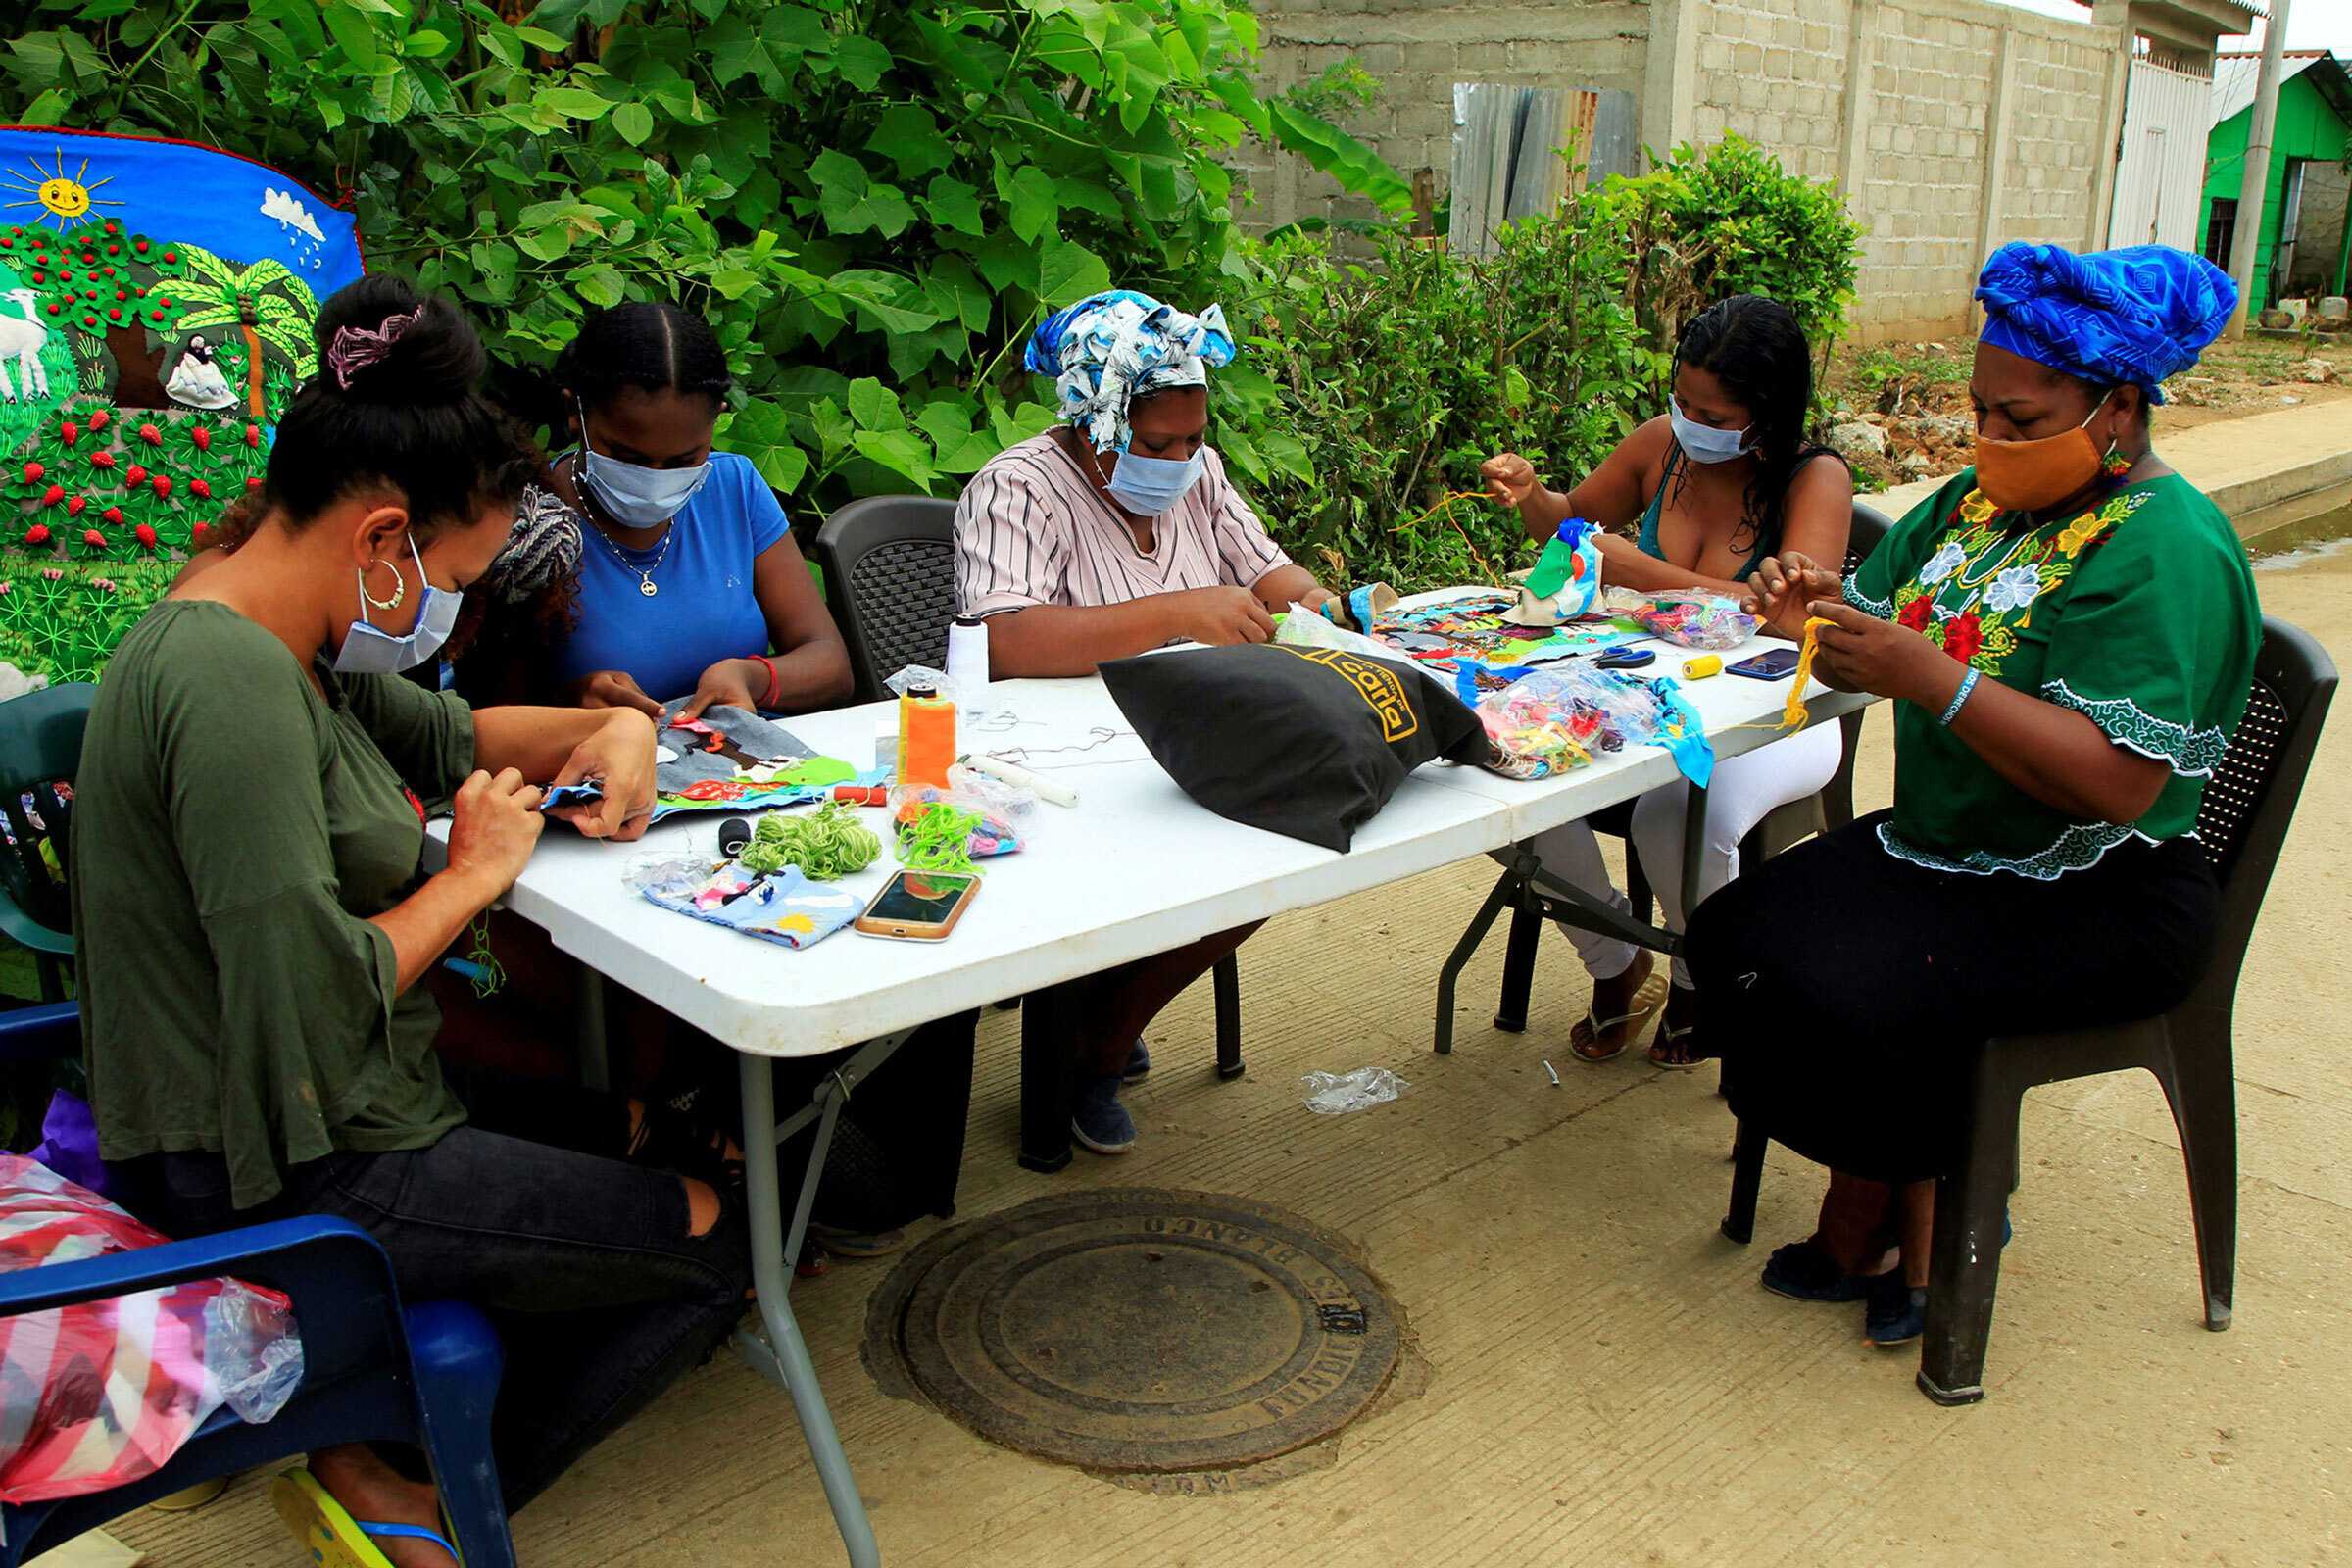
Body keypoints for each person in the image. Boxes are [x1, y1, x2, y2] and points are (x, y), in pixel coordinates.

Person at [71, 276, 747, 1568]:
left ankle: (382, 1410)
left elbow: (452, 733)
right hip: (288, 1163)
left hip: (328, 1105)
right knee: (721, 1247)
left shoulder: (268, 632)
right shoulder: (231, 695)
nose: (454, 612)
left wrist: (612, 729)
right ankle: (417, 1487)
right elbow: (312, 998)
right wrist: (474, 872)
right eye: (458, 579)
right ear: (384, 542)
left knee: (664, 1134)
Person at [1684, 242, 2258, 1350]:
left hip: (2101, 886)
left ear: (2122, 409)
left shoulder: (2168, 550)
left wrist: (1931, 681)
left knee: (1860, 987)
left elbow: (2119, 780)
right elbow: (1874, 615)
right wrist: (1810, 602)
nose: (1991, 439)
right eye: (1981, 410)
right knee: (1734, 939)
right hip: (1948, 846)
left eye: (2024, 418)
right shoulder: (1979, 504)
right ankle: (1893, 1189)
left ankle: (1931, 1217)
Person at [953, 288, 1341, 1154]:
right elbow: (1003, 640)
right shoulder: (1016, 490)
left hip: (1183, 744)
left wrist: (1322, 607)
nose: (1180, 461)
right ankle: (1092, 1049)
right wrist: (1177, 613)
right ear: (1095, 421)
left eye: (1195, 440)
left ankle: (1101, 1031)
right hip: (1062, 770)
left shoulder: (1198, 480)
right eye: (1155, 443)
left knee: (1286, 838)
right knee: (1238, 838)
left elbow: (1269, 573)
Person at [1480, 294, 1853, 1065]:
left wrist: (1650, 576)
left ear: (1768, 413)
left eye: (1712, 413)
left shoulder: (1814, 479)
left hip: (1779, 721)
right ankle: (1617, 958)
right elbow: (1572, 525)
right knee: (1501, 771)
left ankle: (1699, 976)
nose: (1690, 421)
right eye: (1681, 400)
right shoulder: (1662, 447)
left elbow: (1800, 622)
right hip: (1651, 698)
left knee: (1671, 814)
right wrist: (1532, 495)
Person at [450, 299, 853, 719]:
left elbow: (829, 664)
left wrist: (752, 677)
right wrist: (574, 702)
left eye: (683, 460)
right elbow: (480, 717)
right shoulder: (528, 530)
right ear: (576, 413)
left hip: (750, 773)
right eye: (627, 457)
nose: (653, 479)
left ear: (716, 420)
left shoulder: (733, 488)